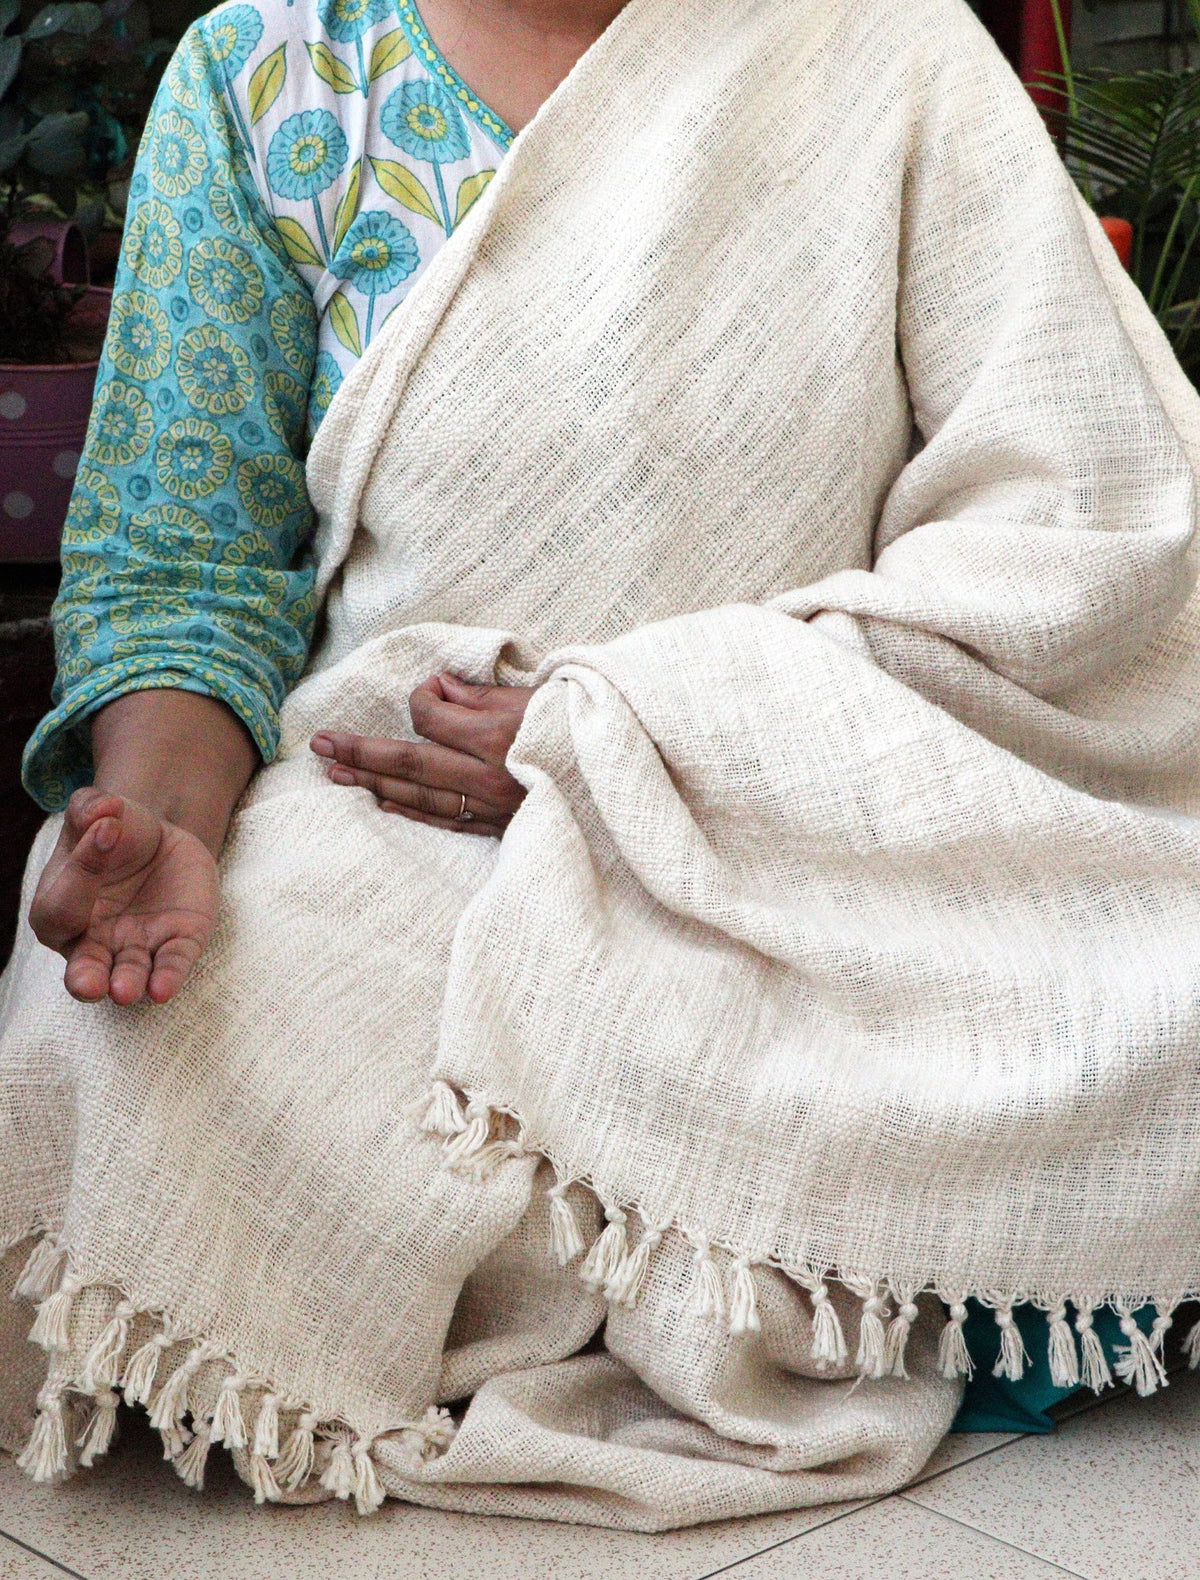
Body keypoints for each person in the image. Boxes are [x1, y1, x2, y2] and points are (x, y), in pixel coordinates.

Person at [3, 0, 1200, 1528]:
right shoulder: (274, 70)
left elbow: (1082, 512)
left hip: (807, 815)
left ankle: (701, 1247)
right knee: (112, 1054)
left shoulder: (885, 49)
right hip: (405, 823)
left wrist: (640, 729)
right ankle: (834, 1250)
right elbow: (187, 565)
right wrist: (163, 825)